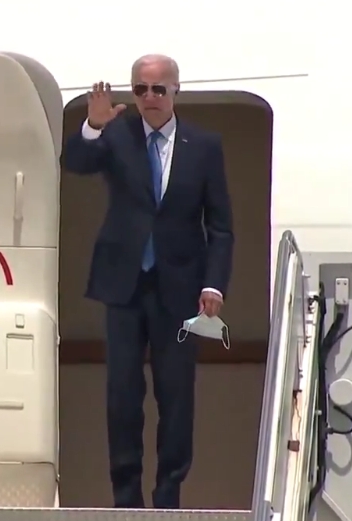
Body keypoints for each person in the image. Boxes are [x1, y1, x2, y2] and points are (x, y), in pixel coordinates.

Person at [62, 54, 234, 509]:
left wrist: (214, 284)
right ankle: (126, 498)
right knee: (122, 394)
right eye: (141, 89)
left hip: (179, 287)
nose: (150, 97)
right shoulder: (117, 135)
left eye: (159, 89)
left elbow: (220, 225)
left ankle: (168, 495)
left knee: (175, 395)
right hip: (124, 284)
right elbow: (75, 162)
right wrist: (92, 126)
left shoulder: (203, 145)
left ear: (176, 90)